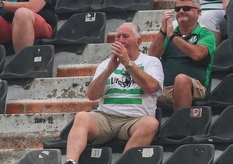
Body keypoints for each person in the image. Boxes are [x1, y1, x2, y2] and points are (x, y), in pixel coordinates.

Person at [63, 23, 163, 164]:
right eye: (118, 37)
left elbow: (151, 87)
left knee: (151, 123)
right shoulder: (105, 64)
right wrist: (110, 69)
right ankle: (71, 162)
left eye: (126, 36)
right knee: (82, 116)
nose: (120, 40)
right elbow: (92, 95)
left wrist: (128, 63)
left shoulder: (151, 62)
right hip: (106, 118)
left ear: (138, 41)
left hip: (136, 119)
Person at [148, 0, 216, 111]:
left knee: (181, 80)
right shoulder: (168, 34)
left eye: (186, 8)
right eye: (178, 9)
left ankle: (180, 124)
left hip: (195, 86)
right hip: (164, 88)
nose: (181, 11)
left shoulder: (206, 34)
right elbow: (152, 57)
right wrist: (163, 31)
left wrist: (173, 37)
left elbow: (197, 54)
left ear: (198, 12)